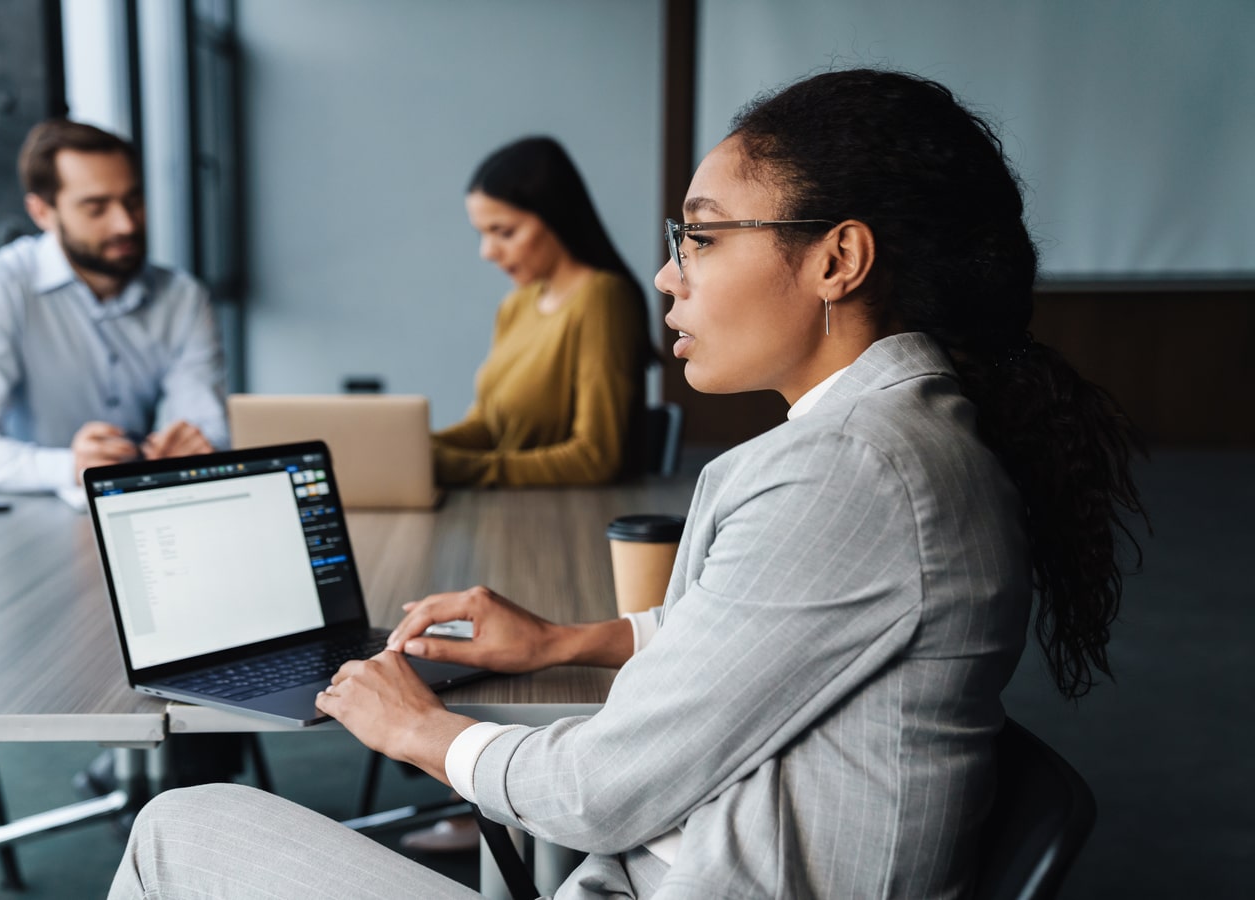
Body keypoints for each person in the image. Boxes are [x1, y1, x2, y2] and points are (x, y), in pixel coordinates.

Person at [106, 69, 1149, 899]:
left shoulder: (853, 468)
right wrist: (575, 641)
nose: (669, 274)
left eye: (701, 235)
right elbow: (773, 632)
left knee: (175, 829)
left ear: (838, 261)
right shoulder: (895, 440)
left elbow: (603, 794)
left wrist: (419, 731)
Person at [0, 118, 228, 493]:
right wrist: (70, 467)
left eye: (133, 200)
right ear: (42, 213)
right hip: (28, 520)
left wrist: (194, 450)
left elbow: (210, 428)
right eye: (96, 208)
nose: (125, 224)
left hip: (139, 505)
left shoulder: (182, 296)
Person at [432, 136, 652, 487]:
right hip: (504, 515)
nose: (487, 252)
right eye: (481, 235)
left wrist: (452, 467)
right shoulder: (515, 305)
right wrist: (416, 450)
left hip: (562, 523)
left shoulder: (603, 298)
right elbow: (488, 426)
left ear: (554, 215)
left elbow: (596, 456)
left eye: (503, 232)